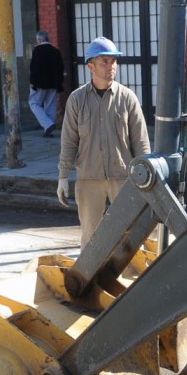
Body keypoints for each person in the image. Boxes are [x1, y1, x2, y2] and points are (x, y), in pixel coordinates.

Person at [57, 37, 151, 247]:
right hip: (89, 178)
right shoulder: (76, 100)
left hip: (123, 179)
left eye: (113, 61)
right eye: (104, 62)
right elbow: (69, 141)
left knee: (130, 237)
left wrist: (146, 179)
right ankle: (91, 279)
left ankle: (130, 278)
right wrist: (63, 176)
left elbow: (141, 143)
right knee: (91, 239)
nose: (111, 67)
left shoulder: (127, 98)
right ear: (90, 66)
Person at [28, 31, 65, 137]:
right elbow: (61, 68)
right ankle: (48, 129)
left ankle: (47, 125)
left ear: (39, 40)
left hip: (39, 83)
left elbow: (34, 68)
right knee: (50, 106)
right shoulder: (56, 51)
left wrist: (32, 82)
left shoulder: (37, 50)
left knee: (33, 103)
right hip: (54, 83)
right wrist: (59, 82)